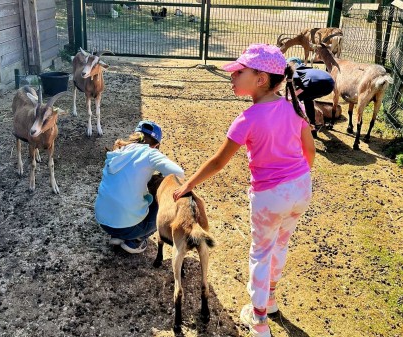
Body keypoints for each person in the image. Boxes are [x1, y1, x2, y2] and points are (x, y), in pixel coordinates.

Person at [172, 44, 315, 337]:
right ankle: (271, 300)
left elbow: (218, 162)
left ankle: (259, 321)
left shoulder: (246, 120)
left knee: (261, 253)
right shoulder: (293, 108)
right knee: (280, 245)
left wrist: (188, 184)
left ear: (261, 79)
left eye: (239, 72)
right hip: (300, 190)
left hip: (270, 197)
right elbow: (309, 152)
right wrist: (295, 179)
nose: (232, 77)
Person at [94, 120, 184, 254]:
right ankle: (134, 240)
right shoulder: (150, 153)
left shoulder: (119, 149)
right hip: (127, 226)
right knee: (166, 199)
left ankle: (117, 235)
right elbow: (179, 173)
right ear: (156, 145)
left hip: (103, 222)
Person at [286, 56, 335, 138]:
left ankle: (295, 128)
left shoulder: (295, 71)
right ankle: (313, 129)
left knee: (294, 103)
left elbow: (299, 87)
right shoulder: (307, 69)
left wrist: (291, 98)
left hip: (316, 84)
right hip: (330, 83)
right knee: (308, 100)